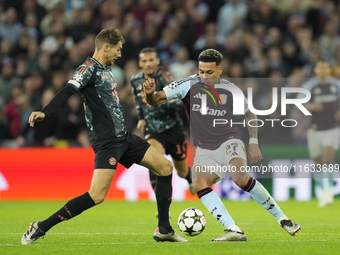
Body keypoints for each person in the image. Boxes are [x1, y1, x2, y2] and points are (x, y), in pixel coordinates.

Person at [21, 27, 188, 245]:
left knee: (165, 168)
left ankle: (164, 230)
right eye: (118, 50)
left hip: (125, 138)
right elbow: (68, 89)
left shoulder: (107, 70)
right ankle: (40, 226)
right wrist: (45, 111)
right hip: (107, 142)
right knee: (97, 196)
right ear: (106, 47)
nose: (120, 54)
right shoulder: (88, 68)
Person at [143, 48, 301, 241]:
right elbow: (156, 99)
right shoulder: (187, 85)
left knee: (241, 179)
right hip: (204, 147)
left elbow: (250, 113)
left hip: (229, 140)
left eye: (209, 72)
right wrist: (150, 94)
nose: (204, 76)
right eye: (201, 71)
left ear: (220, 70)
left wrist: (253, 143)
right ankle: (234, 230)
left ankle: (282, 218)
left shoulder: (231, 89)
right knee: (200, 182)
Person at [131, 47, 195, 199]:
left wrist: (155, 101)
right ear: (140, 63)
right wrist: (141, 118)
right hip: (153, 131)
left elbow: (178, 102)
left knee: (182, 171)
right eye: (145, 61)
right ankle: (162, 202)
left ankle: (190, 179)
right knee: (153, 161)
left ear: (157, 61)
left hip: (173, 130)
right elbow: (138, 101)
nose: (148, 64)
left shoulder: (165, 78)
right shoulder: (135, 81)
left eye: (151, 60)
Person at [299, 61, 340, 207]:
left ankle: (328, 193)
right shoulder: (309, 86)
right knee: (318, 163)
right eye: (320, 68)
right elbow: (298, 104)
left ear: (329, 70)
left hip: (333, 128)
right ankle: (323, 190)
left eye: (325, 68)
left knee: (327, 159)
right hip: (315, 129)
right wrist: (310, 106)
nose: (323, 71)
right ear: (316, 70)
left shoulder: (337, 85)